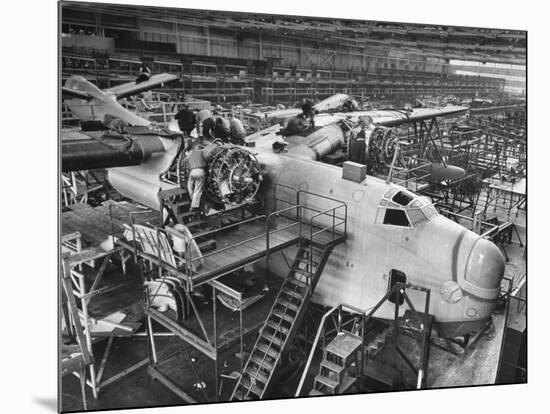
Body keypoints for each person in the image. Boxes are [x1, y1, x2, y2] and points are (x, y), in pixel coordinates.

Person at [186, 147, 207, 211]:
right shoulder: (201, 152)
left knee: (189, 186)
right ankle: (194, 205)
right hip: (200, 172)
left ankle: (192, 198)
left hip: (192, 173)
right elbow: (205, 164)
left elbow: (187, 165)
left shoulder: (190, 155)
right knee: (197, 190)